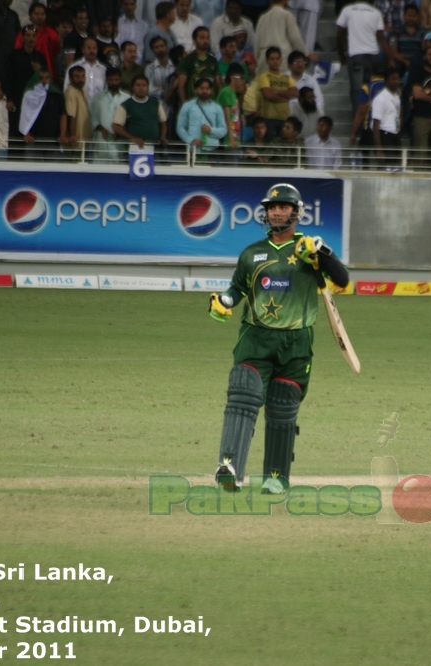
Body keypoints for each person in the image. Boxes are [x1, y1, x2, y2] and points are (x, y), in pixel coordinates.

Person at [209, 184, 350, 494]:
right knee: (243, 394)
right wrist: (224, 301)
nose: (276, 212)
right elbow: (238, 289)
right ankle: (229, 466)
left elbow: (342, 279)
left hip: (297, 340)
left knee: (283, 406)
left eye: (283, 207)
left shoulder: (310, 248)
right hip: (256, 337)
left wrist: (321, 253)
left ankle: (276, 475)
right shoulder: (252, 253)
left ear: (295, 212)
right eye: (272, 208)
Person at [337, 0, 390, 113]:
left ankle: (358, 122)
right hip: (373, 56)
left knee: (357, 90)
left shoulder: (347, 10)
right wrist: (390, 58)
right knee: (370, 89)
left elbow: (340, 34)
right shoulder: (376, 12)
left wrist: (341, 53)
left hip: (356, 55)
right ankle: (369, 119)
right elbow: (381, 37)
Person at [19, 68, 65, 159]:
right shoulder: (29, 95)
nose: (44, 81)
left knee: (53, 172)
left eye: (47, 78)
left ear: (50, 79)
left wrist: (62, 134)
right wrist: (26, 134)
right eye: (41, 78)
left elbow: (62, 116)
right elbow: (25, 115)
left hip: (53, 141)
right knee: (32, 171)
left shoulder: (57, 95)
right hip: (33, 140)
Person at [113, 74, 169, 148]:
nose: (141, 88)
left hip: (154, 146)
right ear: (132, 87)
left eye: (144, 85)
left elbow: (163, 123)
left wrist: (162, 137)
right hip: (133, 147)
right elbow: (116, 126)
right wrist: (133, 138)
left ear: (148, 87)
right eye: (138, 85)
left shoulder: (155, 103)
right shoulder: (126, 105)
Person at [176, 75, 227, 153]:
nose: (205, 91)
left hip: (212, 149)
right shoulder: (187, 106)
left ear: (211, 90)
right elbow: (180, 127)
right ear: (196, 90)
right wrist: (191, 140)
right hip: (192, 150)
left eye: (207, 89)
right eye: (202, 88)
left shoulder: (217, 108)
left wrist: (211, 130)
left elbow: (224, 130)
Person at [90, 67, 131, 161]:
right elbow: (93, 118)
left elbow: (130, 121)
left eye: (116, 80)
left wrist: (120, 132)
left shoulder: (127, 99)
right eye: (111, 80)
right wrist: (102, 129)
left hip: (120, 141)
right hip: (101, 141)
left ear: (121, 79)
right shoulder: (98, 97)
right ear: (106, 80)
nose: (114, 83)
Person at [256, 0, 309, 72]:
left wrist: (257, 60)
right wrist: (306, 55)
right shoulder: (287, 15)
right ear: (285, 1)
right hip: (281, 60)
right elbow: (296, 39)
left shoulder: (262, 18)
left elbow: (257, 44)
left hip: (264, 59)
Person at [257, 46, 297, 138]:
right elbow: (269, 95)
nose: (275, 61)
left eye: (277, 58)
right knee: (271, 149)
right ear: (267, 61)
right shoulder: (264, 76)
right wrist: (287, 97)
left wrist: (277, 92)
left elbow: (295, 93)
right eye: (272, 59)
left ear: (281, 60)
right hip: (269, 119)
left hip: (285, 120)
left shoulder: (287, 77)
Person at [13, 2, 61, 77]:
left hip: (49, 75)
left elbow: (56, 56)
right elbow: (18, 54)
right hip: (27, 75)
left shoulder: (52, 34)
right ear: (30, 16)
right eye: (36, 14)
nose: (40, 17)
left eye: (42, 14)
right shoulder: (23, 34)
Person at [175, 26, 220, 100]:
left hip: (211, 104)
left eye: (207, 38)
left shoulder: (213, 60)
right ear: (194, 40)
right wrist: (185, 106)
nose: (205, 41)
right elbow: (181, 86)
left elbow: (218, 84)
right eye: (202, 38)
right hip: (193, 105)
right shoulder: (187, 60)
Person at [370, 67, 401, 166]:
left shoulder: (396, 97)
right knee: (387, 168)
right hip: (385, 136)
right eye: (393, 79)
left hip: (394, 136)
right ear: (386, 81)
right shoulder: (380, 99)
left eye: (397, 79)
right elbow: (376, 125)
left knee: (396, 168)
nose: (396, 81)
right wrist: (379, 150)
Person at [65, 37, 107, 106]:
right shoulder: (73, 67)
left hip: (98, 110)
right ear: (83, 50)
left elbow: (106, 92)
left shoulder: (103, 69)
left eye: (94, 48)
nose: (92, 51)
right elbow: (67, 90)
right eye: (89, 48)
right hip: (79, 110)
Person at [61, 64, 90, 153]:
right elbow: (71, 116)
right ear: (70, 78)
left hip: (83, 142)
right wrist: (73, 136)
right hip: (75, 143)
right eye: (77, 77)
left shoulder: (81, 91)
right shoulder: (71, 92)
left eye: (82, 76)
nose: (80, 80)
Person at [218, 63, 246, 152]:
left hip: (235, 138)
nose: (243, 81)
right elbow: (226, 118)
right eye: (241, 78)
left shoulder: (233, 93)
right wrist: (231, 139)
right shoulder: (226, 92)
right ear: (233, 78)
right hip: (229, 141)